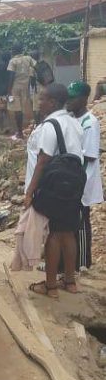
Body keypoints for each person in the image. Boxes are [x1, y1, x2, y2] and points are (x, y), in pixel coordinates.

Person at [24, 83, 84, 297]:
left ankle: (50, 286)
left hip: (54, 186)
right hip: (75, 183)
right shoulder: (74, 122)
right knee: (68, 232)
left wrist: (29, 192)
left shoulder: (51, 125)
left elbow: (43, 160)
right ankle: (70, 282)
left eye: (42, 99)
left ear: (53, 102)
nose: (39, 103)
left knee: (54, 235)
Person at [66, 81, 103, 271]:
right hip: (72, 178)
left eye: (73, 98)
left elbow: (88, 156)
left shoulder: (90, 122)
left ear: (83, 99)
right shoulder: (73, 119)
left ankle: (83, 263)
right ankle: (70, 262)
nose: (69, 101)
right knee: (71, 221)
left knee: (81, 222)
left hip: (82, 180)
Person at [7, 44, 36, 138]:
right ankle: (20, 132)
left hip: (15, 87)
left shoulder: (13, 61)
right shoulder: (28, 58)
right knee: (21, 109)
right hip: (25, 87)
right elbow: (37, 66)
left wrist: (8, 90)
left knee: (17, 110)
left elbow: (11, 76)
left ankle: (20, 133)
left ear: (13, 51)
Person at [0, 52, 11, 131]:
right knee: (5, 108)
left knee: (0, 109)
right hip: (6, 90)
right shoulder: (9, 66)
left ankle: (1, 128)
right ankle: (9, 126)